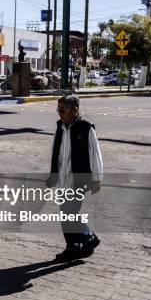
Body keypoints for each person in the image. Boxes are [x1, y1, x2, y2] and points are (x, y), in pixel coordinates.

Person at [47, 94, 103, 261]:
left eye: (63, 110)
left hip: (79, 179)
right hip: (63, 178)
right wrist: (52, 174)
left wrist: (97, 178)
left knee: (70, 212)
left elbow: (95, 153)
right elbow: (54, 152)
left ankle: (89, 237)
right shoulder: (59, 127)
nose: (60, 113)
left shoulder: (86, 128)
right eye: (58, 110)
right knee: (65, 213)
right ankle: (74, 246)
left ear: (75, 111)